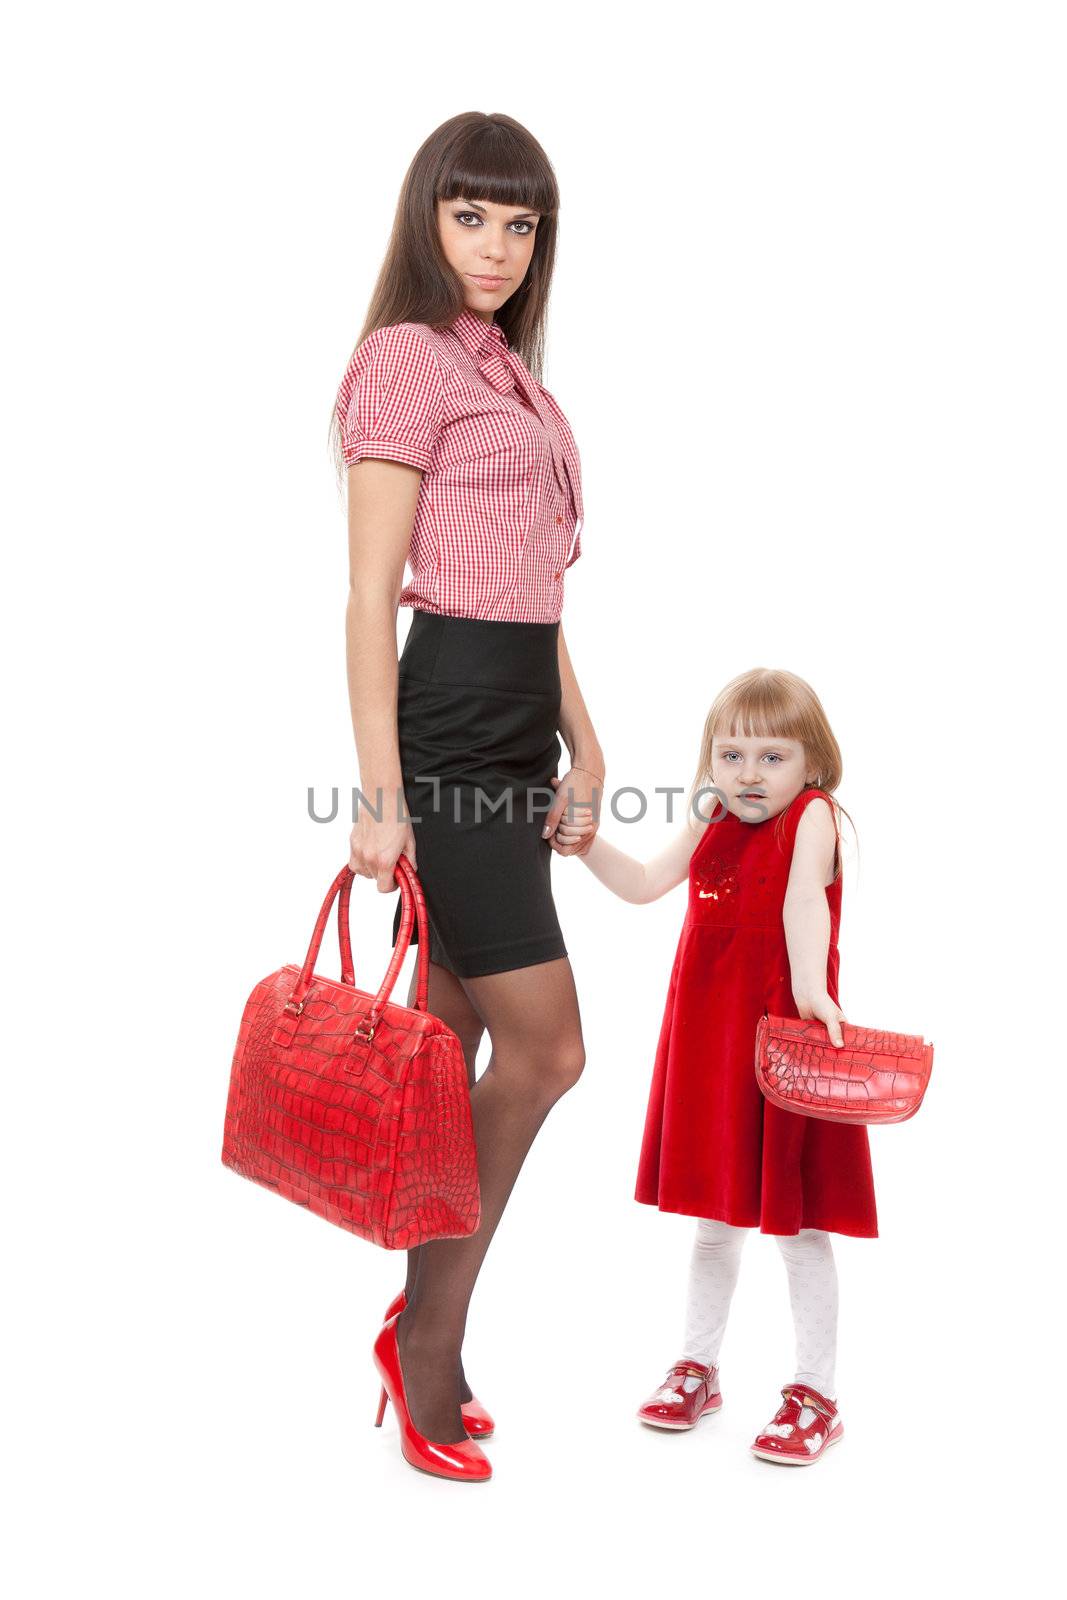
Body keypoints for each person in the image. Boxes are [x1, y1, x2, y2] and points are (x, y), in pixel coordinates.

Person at [330, 112, 604, 1483]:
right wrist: (378, 796)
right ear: (424, 220)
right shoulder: (401, 365)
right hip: (441, 740)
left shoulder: (518, 383)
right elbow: (372, 595)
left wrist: (591, 752)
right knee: (546, 1052)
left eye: (519, 222)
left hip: (518, 734)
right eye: (470, 216)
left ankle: (420, 1320)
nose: (495, 247)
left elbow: (534, 598)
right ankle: (426, 1338)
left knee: (450, 1052)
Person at [555, 667, 877, 1465]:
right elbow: (641, 884)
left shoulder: (816, 816)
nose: (747, 774)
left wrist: (810, 990)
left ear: (812, 760)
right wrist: (583, 840)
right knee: (714, 1221)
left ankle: (816, 1391)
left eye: (771, 756)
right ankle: (698, 1365)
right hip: (710, 1036)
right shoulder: (710, 818)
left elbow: (804, 900)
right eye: (730, 755)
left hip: (782, 1037)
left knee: (797, 1224)